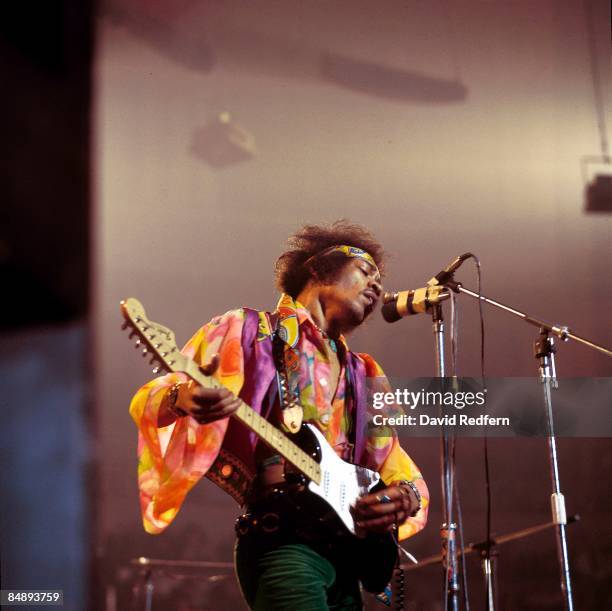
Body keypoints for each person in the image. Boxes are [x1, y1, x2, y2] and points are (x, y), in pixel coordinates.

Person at [129, 221, 429, 610]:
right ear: (319, 269)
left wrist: (405, 496)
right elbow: (152, 398)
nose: (378, 288)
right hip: (284, 540)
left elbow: (392, 463)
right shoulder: (248, 330)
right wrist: (183, 396)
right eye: (364, 271)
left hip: (345, 555)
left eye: (379, 280)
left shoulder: (365, 373)